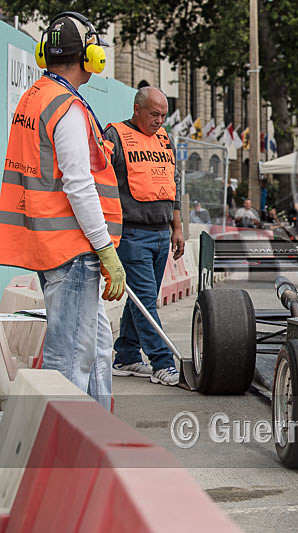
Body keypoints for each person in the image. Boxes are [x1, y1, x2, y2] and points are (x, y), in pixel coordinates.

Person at [0, 13, 124, 406]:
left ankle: (100, 434)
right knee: (69, 358)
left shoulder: (36, 95)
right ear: (89, 56)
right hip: (71, 249)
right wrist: (105, 248)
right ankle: (69, 458)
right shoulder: (66, 106)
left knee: (97, 348)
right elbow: (78, 183)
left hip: (55, 247)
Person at [104, 86, 184, 386]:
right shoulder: (114, 137)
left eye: (163, 115)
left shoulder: (166, 140)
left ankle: (125, 356)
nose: (159, 121)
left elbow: (174, 185)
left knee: (139, 300)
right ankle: (162, 362)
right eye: (154, 114)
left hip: (162, 233)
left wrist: (177, 227)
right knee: (146, 301)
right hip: (132, 235)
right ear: (137, 109)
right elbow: (100, 182)